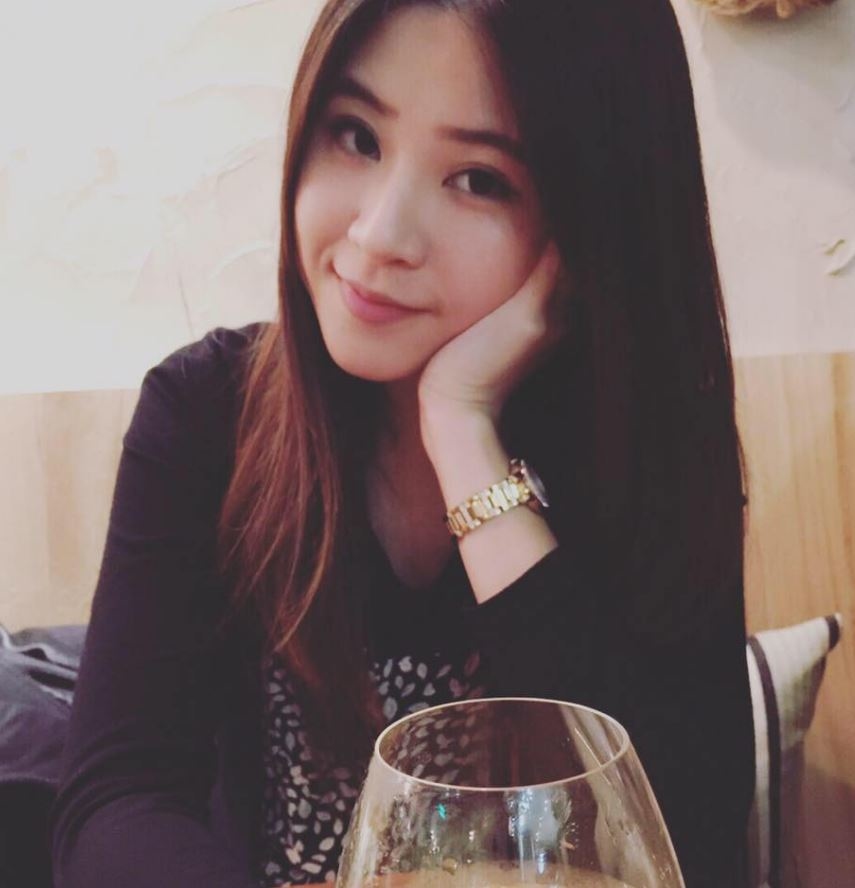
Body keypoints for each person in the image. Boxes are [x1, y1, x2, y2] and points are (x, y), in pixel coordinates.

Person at [49, 1, 755, 886]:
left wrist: (462, 428)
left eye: (479, 180)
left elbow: (672, 843)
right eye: (355, 136)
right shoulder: (205, 415)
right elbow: (116, 804)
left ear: (592, 222)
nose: (378, 236)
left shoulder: (651, 453)